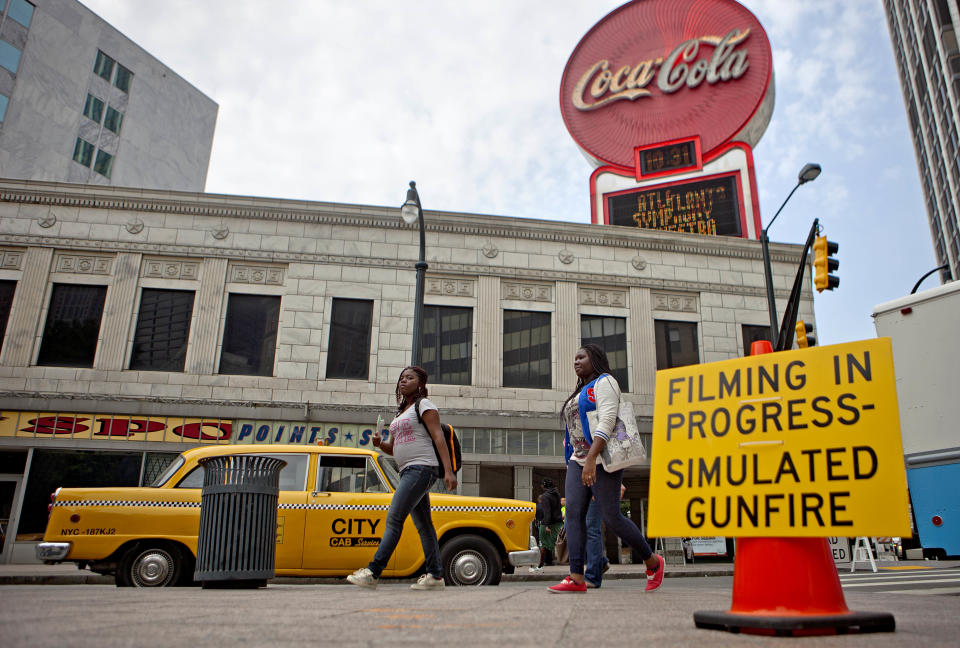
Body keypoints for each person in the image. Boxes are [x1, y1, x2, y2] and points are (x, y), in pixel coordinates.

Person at [548, 344, 665, 593]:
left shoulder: (606, 382)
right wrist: (573, 456)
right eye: (574, 358)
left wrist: (591, 458)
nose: (576, 362)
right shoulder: (579, 391)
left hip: (602, 460)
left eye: (581, 357)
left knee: (612, 517)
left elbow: (609, 420)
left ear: (595, 359)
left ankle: (652, 562)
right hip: (577, 461)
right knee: (573, 517)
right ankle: (577, 577)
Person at [347, 366, 458, 591]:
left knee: (395, 518)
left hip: (423, 468)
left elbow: (438, 438)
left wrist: (448, 471)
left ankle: (373, 572)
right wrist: (381, 445)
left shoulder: (424, 405)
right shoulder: (400, 413)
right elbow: (395, 448)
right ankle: (435, 577)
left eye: (410, 378)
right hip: (408, 470)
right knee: (425, 526)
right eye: (401, 378)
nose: (403, 381)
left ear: (420, 384)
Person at [584, 483, 626, 588]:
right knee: (578, 529)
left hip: (593, 485)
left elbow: (601, 466)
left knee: (591, 527)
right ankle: (600, 562)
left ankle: (592, 576)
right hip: (582, 487)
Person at [531, 478, 562, 573]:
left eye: (541, 485)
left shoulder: (545, 496)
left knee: (542, 545)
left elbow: (547, 512)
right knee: (555, 544)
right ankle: (548, 561)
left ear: (544, 486)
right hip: (558, 522)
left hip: (547, 523)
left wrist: (547, 525)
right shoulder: (557, 494)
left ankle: (539, 566)